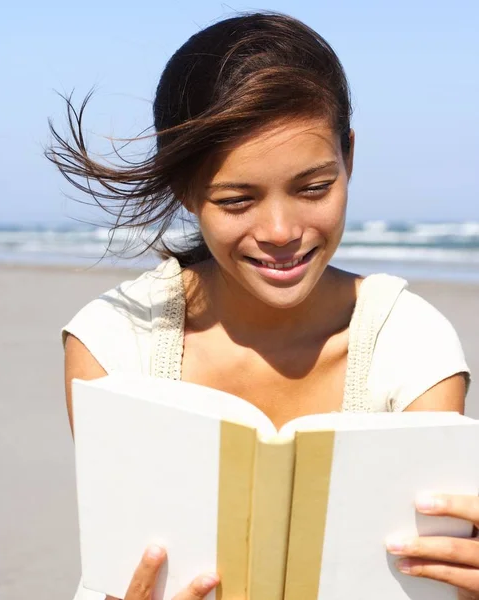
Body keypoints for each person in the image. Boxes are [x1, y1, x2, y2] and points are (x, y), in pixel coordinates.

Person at [48, 12, 478, 600]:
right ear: (184, 187)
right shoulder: (114, 343)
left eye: (313, 188)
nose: (280, 231)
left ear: (348, 157)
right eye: (237, 199)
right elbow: (117, 561)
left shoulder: (411, 346)